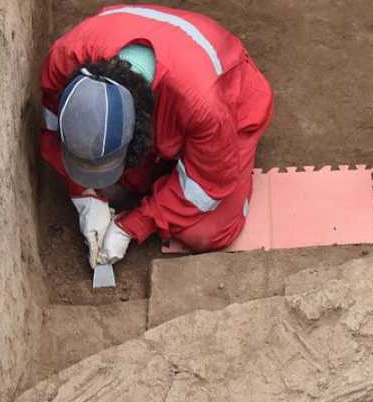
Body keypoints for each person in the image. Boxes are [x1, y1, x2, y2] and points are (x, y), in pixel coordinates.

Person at [39, 4, 274, 268]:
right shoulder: (64, 59)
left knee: (205, 231)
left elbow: (207, 185)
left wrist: (133, 225)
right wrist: (84, 195)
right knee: (135, 179)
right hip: (168, 53)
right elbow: (55, 127)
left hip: (232, 99)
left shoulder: (203, 107)